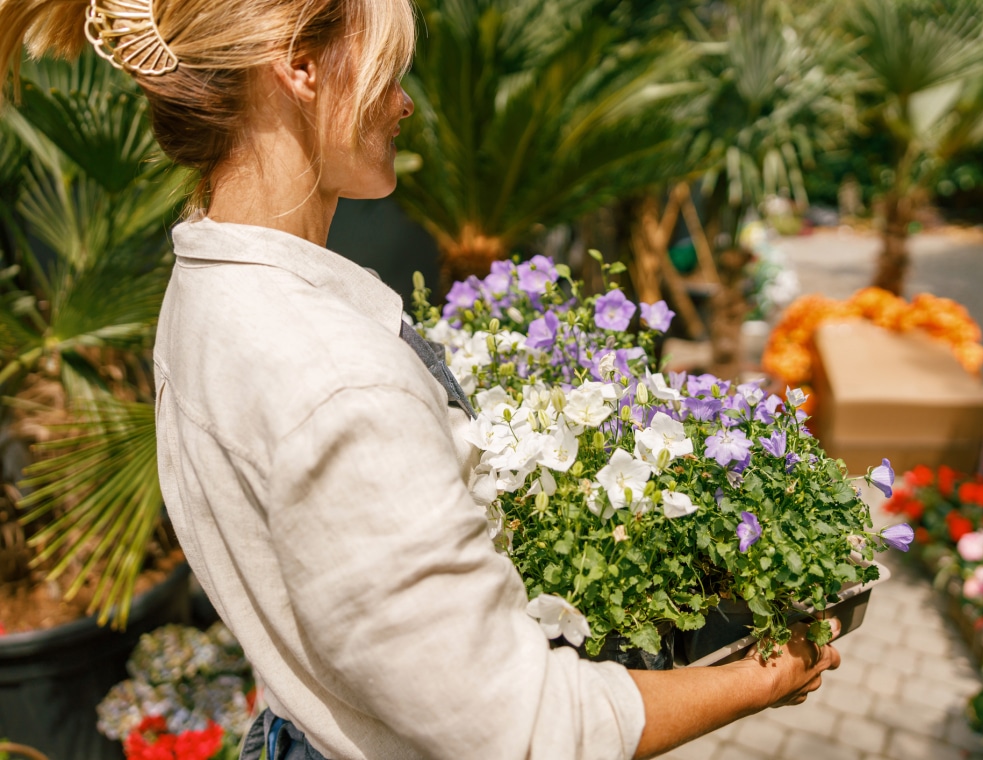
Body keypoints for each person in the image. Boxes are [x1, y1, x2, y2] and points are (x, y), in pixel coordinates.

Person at [0, 1, 841, 758]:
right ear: (299, 65)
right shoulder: (333, 378)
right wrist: (772, 675)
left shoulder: (207, 283)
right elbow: (528, 731)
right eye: (389, 72)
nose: (404, 104)